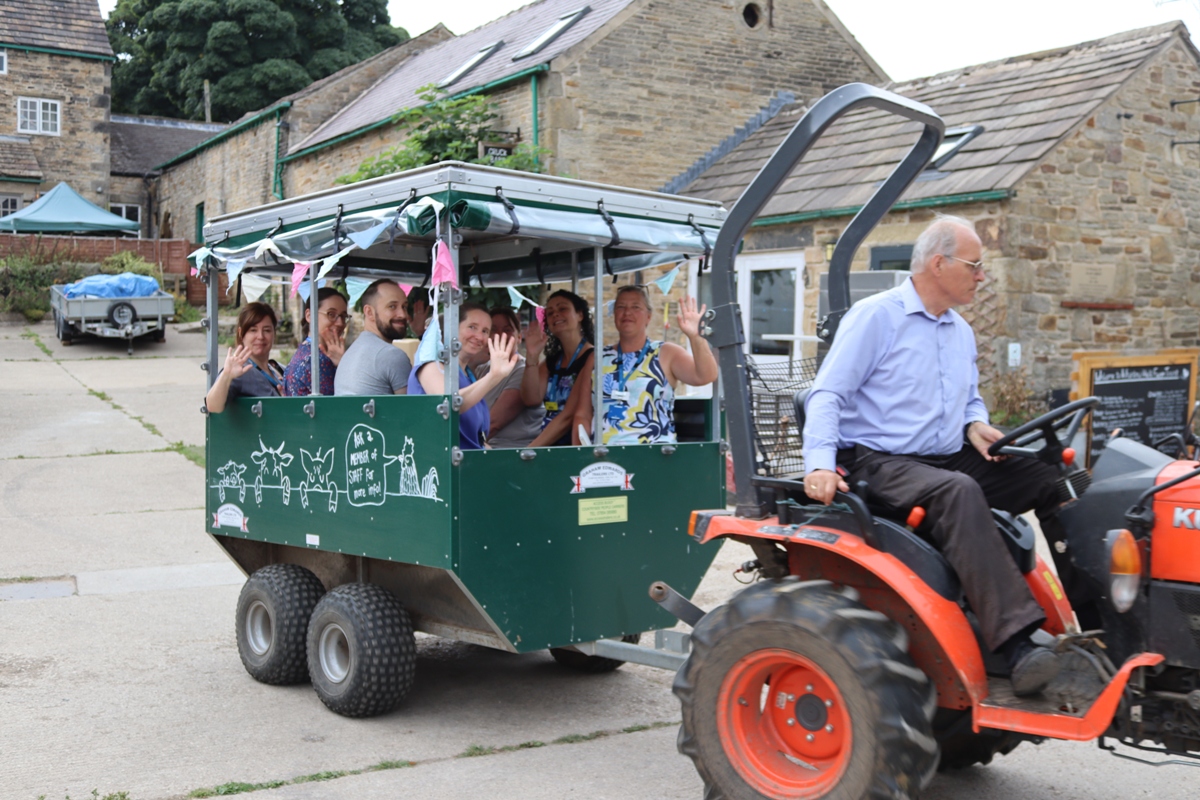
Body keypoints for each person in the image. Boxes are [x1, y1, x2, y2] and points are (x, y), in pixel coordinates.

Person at [802, 215, 1067, 697]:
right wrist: (819, 462)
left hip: (946, 456)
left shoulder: (959, 330)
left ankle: (1093, 620)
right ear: (939, 263)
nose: (982, 275)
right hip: (881, 462)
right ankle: (1015, 645)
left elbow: (967, 398)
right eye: (975, 265)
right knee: (958, 491)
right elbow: (827, 395)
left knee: (1049, 476)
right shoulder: (877, 317)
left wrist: (974, 423)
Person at [599, 286, 718, 444]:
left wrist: (696, 337)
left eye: (636, 307)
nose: (627, 312)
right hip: (603, 459)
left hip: (655, 455)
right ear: (614, 314)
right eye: (621, 307)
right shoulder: (597, 357)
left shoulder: (667, 353)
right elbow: (582, 414)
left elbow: (706, 375)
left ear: (648, 316)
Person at [409, 302, 519, 449]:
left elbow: (476, 440)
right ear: (452, 328)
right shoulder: (430, 365)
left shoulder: (468, 375)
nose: (479, 336)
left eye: (485, 331)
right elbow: (449, 404)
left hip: (469, 465)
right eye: (472, 327)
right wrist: (494, 376)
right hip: (440, 468)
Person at [522, 290, 595, 446]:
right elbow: (531, 399)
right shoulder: (553, 361)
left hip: (575, 443)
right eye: (550, 313)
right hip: (548, 441)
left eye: (563, 309)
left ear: (580, 315)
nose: (556, 315)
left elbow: (568, 415)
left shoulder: (592, 358)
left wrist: (529, 450)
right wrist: (532, 356)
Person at [470, 306, 544, 448]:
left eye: (507, 330)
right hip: (485, 448)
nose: (499, 335)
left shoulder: (522, 371)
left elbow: (492, 424)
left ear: (519, 337)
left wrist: (461, 442)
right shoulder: (482, 369)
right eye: (493, 330)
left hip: (509, 452)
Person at [334, 280, 412, 396]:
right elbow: (414, 411)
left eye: (404, 307)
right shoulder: (391, 355)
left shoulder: (350, 352)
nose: (403, 314)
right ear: (369, 312)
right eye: (392, 306)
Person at [204, 302, 284, 413]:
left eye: (267, 330)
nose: (260, 337)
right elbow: (212, 406)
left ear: (274, 333)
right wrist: (226, 376)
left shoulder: (279, 368)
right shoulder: (240, 372)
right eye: (253, 330)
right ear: (241, 333)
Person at [283, 287, 348, 397]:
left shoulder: (307, 352)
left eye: (343, 316)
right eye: (331, 314)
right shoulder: (315, 360)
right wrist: (345, 366)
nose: (340, 323)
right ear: (309, 315)